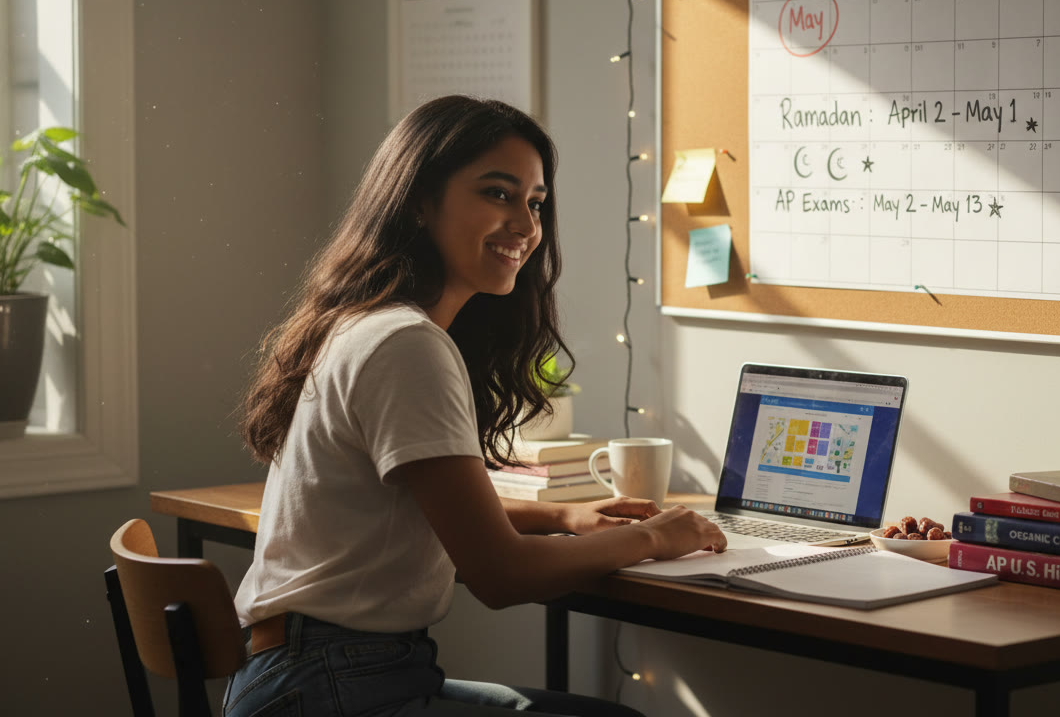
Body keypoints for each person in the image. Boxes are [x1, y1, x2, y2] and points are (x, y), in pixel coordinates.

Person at [225, 95, 727, 717]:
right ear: (418, 202)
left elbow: (430, 505)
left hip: (319, 676)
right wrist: (654, 536)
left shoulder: (365, 324)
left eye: (535, 203)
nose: (526, 224)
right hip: (337, 688)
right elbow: (500, 574)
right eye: (498, 193)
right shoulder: (406, 343)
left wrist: (563, 519)